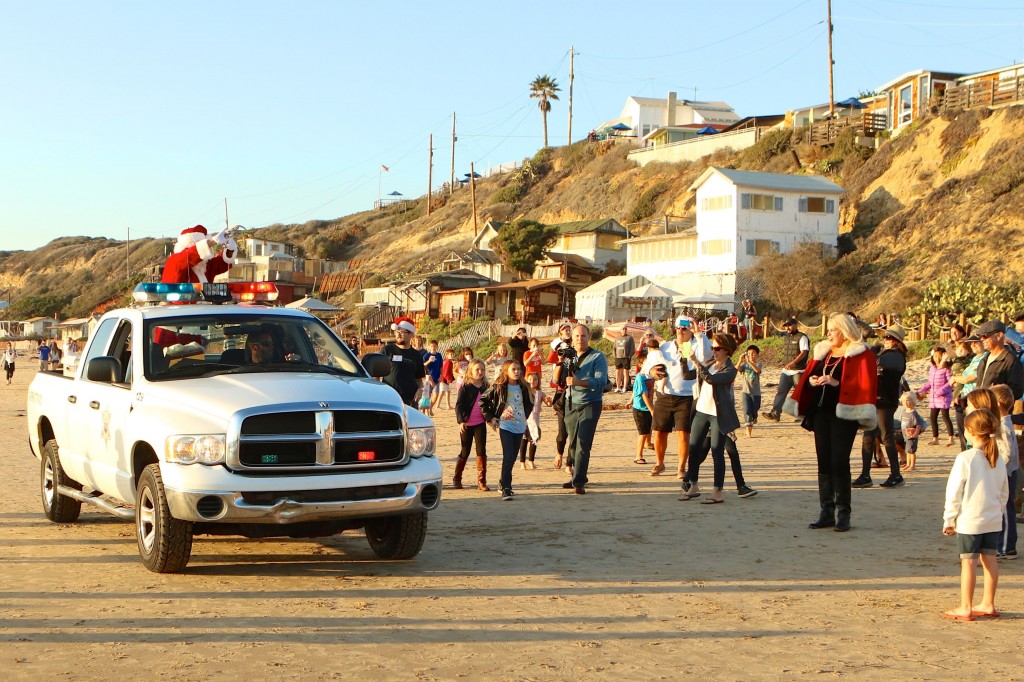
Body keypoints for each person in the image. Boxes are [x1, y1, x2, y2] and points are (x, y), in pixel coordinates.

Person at [790, 313, 877, 532]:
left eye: (832, 330)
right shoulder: (824, 351)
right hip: (821, 413)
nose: (828, 334)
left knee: (839, 461)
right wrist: (811, 381)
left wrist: (835, 382)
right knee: (824, 461)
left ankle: (843, 513)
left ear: (844, 330)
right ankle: (826, 511)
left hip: (844, 415)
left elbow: (863, 384)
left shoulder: (860, 353)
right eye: (828, 330)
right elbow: (811, 374)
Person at [941, 408, 1008, 621]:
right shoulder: (997, 459)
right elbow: (1004, 492)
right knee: (990, 560)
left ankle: (966, 606)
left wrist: (949, 518)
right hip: (993, 519)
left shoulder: (966, 458)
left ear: (970, 431)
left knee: (968, 562)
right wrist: (998, 511)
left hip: (970, 520)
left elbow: (954, 491)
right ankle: (988, 603)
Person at [680, 333, 756, 504]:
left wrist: (696, 361)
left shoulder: (730, 370)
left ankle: (717, 491)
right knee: (693, 449)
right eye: (712, 347)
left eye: (717, 348)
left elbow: (711, 379)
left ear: (727, 351)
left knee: (717, 452)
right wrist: (684, 357)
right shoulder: (710, 364)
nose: (713, 351)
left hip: (718, 415)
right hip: (701, 411)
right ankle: (693, 485)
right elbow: (688, 375)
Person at [650, 316, 710, 479]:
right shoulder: (666, 346)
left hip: (687, 396)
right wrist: (652, 372)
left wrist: (699, 334)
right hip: (666, 394)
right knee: (660, 431)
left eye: (685, 328)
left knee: (683, 433)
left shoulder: (697, 344)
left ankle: (681, 467)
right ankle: (659, 462)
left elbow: (706, 357)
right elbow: (651, 364)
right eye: (678, 328)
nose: (681, 331)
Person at [854, 324, 908, 489]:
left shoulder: (897, 356)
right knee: (868, 438)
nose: (885, 340)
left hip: (885, 401)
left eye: (889, 337)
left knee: (886, 437)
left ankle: (896, 474)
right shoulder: (884, 353)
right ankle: (865, 475)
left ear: (897, 341)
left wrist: (868, 347)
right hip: (873, 400)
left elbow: (875, 360)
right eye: (885, 337)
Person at [560, 324, 608, 494]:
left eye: (583, 336)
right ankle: (578, 476)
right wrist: (560, 362)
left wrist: (580, 382)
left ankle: (579, 482)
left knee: (583, 442)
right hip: (571, 402)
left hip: (591, 403)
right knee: (572, 443)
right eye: (577, 336)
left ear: (589, 337)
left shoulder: (597, 357)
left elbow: (601, 382)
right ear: (571, 339)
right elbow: (557, 381)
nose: (580, 339)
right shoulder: (568, 357)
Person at [482, 361, 533, 501]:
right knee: (508, 455)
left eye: (518, 369)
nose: (517, 371)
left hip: (520, 425)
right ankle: (506, 488)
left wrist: (526, 421)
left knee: (512, 458)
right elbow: (483, 401)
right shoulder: (499, 386)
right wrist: (490, 417)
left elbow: (530, 403)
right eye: (513, 369)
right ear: (506, 371)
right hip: (505, 425)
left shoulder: (524, 386)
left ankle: (502, 482)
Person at [989, 384, 1018, 560]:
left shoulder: (1004, 426)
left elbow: (1008, 453)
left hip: (1006, 473)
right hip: (1004, 472)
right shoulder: (1002, 423)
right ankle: (1003, 544)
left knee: (1006, 510)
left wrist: (999, 470)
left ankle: (1007, 547)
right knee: (1002, 509)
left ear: (998, 403)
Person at [763, 318, 810, 422]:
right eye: (786, 326)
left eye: (790, 325)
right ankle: (775, 414)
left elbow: (804, 353)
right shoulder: (787, 337)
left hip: (799, 371)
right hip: (786, 371)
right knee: (781, 391)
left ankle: (805, 415)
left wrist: (792, 363)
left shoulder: (802, 337)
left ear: (796, 325)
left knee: (801, 393)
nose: (787, 328)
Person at [453, 359, 490, 491]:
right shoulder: (465, 386)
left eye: (482, 370)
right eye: (477, 370)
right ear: (470, 371)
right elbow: (459, 405)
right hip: (467, 424)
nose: (479, 372)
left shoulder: (486, 387)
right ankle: (457, 479)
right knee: (465, 451)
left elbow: (490, 405)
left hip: (480, 423)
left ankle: (481, 481)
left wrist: (492, 418)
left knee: (481, 451)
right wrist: (461, 421)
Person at [161, 224, 237, 284]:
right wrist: (213, 241)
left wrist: (229, 249)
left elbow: (221, 263)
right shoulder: (174, 260)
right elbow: (188, 255)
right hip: (179, 303)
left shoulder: (204, 266)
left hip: (205, 303)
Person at [381, 316, 427, 407]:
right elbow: (376, 375)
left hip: (410, 402)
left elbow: (419, 380)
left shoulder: (417, 355)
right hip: (389, 399)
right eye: (397, 332)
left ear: (411, 335)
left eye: (402, 332)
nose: (398, 335)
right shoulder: (387, 350)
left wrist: (420, 390)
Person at [974, 320, 1024, 400]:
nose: (982, 339)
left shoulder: (1011, 361)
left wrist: (996, 394)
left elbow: (1017, 392)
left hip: (997, 411)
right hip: (980, 409)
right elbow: (979, 387)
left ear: (999, 335)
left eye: (985, 336)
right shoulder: (984, 359)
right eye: (980, 337)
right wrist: (964, 400)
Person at [547, 323, 573, 472]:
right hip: (561, 390)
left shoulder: (576, 348)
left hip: (575, 391)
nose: (568, 331)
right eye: (565, 329)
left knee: (574, 433)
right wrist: (561, 359)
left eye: (569, 329)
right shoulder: (557, 344)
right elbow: (554, 378)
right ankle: (559, 453)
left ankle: (569, 463)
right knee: (562, 433)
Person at [919, 345, 955, 447]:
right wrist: (922, 390)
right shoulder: (932, 368)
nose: (936, 358)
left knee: (945, 417)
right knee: (933, 417)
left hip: (943, 397)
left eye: (938, 356)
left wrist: (940, 391)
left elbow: (950, 383)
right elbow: (930, 382)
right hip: (933, 398)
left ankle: (951, 438)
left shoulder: (946, 369)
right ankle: (935, 438)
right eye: (934, 356)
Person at [632, 362, 664, 465]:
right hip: (640, 408)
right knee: (643, 433)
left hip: (648, 407)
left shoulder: (651, 376)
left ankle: (648, 443)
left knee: (649, 428)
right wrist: (651, 409)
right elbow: (643, 394)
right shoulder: (641, 377)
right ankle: (638, 455)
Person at [518, 371, 551, 470]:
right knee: (523, 442)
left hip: (535, 422)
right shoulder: (523, 391)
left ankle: (531, 460)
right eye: (530, 379)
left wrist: (549, 401)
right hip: (524, 420)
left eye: (535, 379)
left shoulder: (540, 393)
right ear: (526, 380)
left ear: (538, 381)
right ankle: (522, 462)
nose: (532, 381)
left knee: (534, 441)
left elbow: (548, 404)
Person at [737, 345, 762, 438]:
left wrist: (750, 362)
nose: (751, 355)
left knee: (755, 410)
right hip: (745, 392)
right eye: (749, 354)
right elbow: (737, 369)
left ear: (757, 355)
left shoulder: (759, 364)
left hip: (756, 393)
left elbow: (757, 370)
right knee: (747, 411)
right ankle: (748, 432)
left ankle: (754, 417)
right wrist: (740, 360)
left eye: (753, 353)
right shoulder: (745, 365)